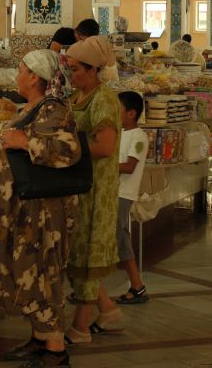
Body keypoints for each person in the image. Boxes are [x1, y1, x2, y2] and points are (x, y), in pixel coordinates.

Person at [0, 50, 80, 366]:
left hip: (42, 214)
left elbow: (68, 150)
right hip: (22, 212)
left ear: (35, 77)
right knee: (27, 274)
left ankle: (56, 350)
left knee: (42, 274)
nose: (17, 76)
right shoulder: (30, 110)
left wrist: (26, 142)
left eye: (21, 70)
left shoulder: (54, 109)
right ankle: (39, 339)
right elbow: (8, 145)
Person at [64, 35, 122, 344]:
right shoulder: (77, 98)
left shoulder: (104, 100)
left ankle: (80, 328)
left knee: (87, 257)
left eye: (75, 69)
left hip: (96, 190)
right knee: (77, 255)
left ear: (92, 70)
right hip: (79, 187)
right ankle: (108, 311)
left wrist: (65, 145)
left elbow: (105, 146)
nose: (71, 75)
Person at [113, 91, 149, 306]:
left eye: (116, 108)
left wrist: (103, 165)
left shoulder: (138, 137)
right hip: (112, 192)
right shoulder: (120, 133)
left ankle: (137, 286)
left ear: (131, 113)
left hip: (123, 194)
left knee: (120, 239)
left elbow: (129, 166)